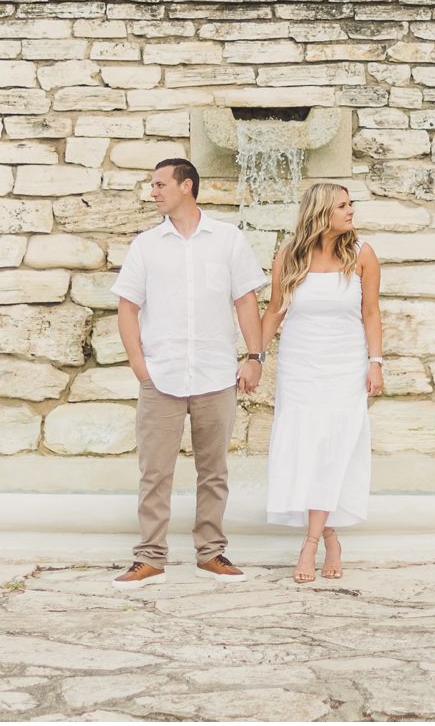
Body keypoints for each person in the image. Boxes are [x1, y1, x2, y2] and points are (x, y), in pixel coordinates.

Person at [109, 158, 267, 584]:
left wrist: (254, 357)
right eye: (153, 184)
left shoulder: (228, 240)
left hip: (216, 374)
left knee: (214, 471)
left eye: (161, 184)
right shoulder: (146, 245)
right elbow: (127, 307)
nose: (154, 191)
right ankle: (150, 557)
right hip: (161, 375)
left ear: (187, 186)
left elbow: (246, 301)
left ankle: (211, 553)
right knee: (155, 471)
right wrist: (140, 365)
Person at [260, 182, 383, 584]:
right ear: (322, 212)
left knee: (334, 450)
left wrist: (375, 362)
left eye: (351, 204)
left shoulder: (362, 254)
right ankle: (329, 536)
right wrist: (254, 358)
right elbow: (275, 311)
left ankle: (310, 544)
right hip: (300, 368)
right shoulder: (289, 255)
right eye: (343, 206)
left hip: (344, 368)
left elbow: (370, 313)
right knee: (305, 449)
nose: (351, 211)